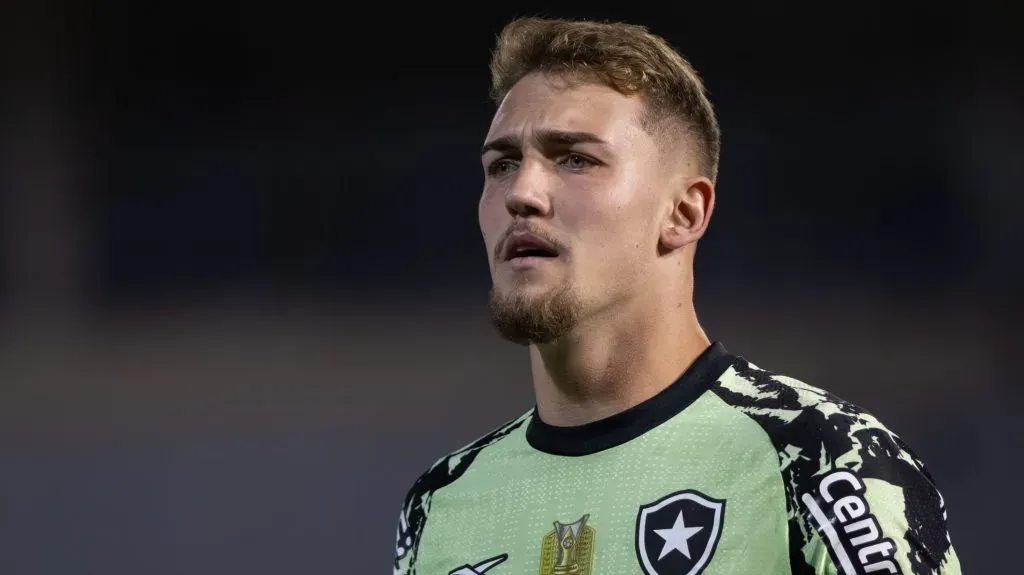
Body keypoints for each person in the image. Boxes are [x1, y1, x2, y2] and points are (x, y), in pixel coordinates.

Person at [393, 17, 960, 575]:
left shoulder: (826, 465)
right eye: (502, 165)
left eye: (575, 159)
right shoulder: (440, 505)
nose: (521, 193)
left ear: (684, 213)